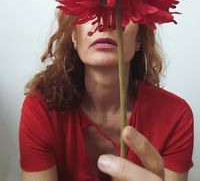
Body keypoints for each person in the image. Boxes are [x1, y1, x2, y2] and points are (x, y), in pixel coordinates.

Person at [19, 13, 193, 181]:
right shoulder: (41, 109)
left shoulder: (175, 115)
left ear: (139, 39)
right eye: (90, 11)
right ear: (73, 36)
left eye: (122, 12)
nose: (105, 23)